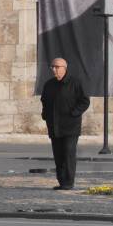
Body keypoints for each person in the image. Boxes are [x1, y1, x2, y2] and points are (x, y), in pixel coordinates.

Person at [40, 57, 90, 190]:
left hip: (70, 126)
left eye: (57, 67)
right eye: (52, 67)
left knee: (68, 153)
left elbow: (85, 101)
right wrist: (45, 114)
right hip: (54, 126)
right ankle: (61, 181)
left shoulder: (75, 83)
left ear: (64, 68)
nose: (54, 69)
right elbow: (44, 100)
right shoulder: (49, 84)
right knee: (58, 155)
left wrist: (74, 113)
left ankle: (68, 182)